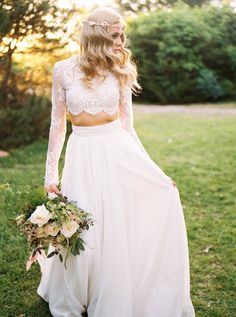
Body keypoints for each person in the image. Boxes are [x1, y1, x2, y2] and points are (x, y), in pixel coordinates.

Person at [37, 6, 195, 317]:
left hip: (117, 151)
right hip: (82, 154)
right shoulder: (62, 70)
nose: (122, 40)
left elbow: (128, 126)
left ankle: (114, 290)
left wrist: (154, 171)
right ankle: (80, 292)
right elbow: (57, 126)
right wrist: (50, 176)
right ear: (96, 36)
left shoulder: (119, 71)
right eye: (115, 34)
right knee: (83, 230)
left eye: (122, 34)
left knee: (115, 228)